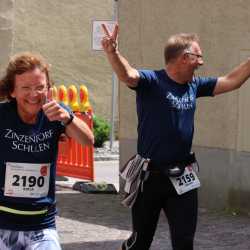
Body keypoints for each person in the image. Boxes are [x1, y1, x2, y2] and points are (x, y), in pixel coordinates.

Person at [101, 24, 250, 250]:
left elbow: (232, 81)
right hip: (149, 177)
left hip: (183, 177)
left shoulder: (194, 85)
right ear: (184, 57)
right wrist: (113, 53)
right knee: (141, 242)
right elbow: (128, 74)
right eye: (198, 56)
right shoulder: (152, 81)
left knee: (184, 241)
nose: (201, 62)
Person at [0, 52, 94, 250]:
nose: (34, 94)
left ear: (48, 88)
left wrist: (67, 119)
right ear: (13, 91)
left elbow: (87, 141)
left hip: (41, 224)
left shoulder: (56, 112)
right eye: (25, 88)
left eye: (40, 87)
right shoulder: (3, 115)